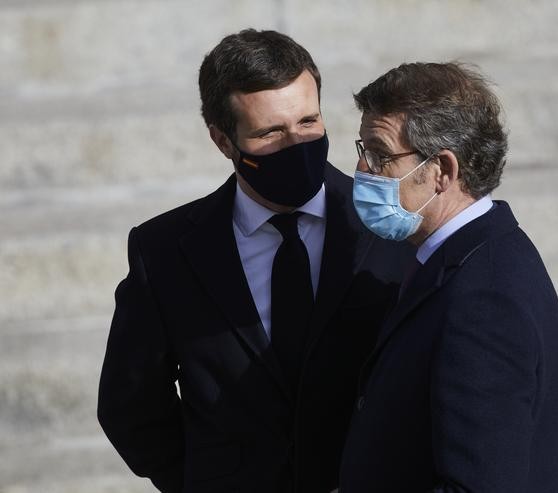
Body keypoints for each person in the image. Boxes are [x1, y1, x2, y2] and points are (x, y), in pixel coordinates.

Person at [97, 29, 411, 493]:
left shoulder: (391, 224)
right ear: (224, 141)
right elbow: (131, 407)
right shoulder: (164, 252)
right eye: (270, 133)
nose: (296, 143)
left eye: (308, 122)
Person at [340, 62, 558, 492]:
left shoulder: (486, 299)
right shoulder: (460, 258)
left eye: (380, 154)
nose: (362, 168)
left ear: (442, 170)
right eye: (362, 149)